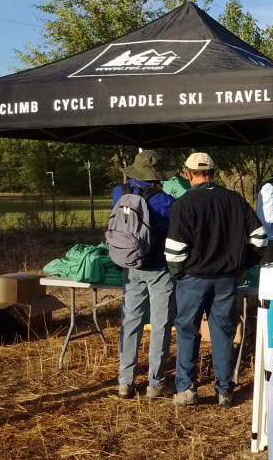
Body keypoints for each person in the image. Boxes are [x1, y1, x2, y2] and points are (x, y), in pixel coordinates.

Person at [165, 152, 267, 407]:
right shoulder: (234, 199)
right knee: (223, 331)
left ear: (188, 174)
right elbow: (260, 237)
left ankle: (187, 390)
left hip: (192, 279)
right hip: (226, 279)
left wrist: (179, 274)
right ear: (213, 172)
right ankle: (224, 390)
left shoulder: (183, 204)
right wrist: (244, 264)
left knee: (188, 331)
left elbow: (174, 249)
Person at [112, 150, 177, 400]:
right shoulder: (164, 201)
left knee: (131, 321)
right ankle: (155, 383)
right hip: (158, 267)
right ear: (158, 175)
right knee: (160, 324)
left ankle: (124, 381)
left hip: (129, 265)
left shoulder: (120, 193)